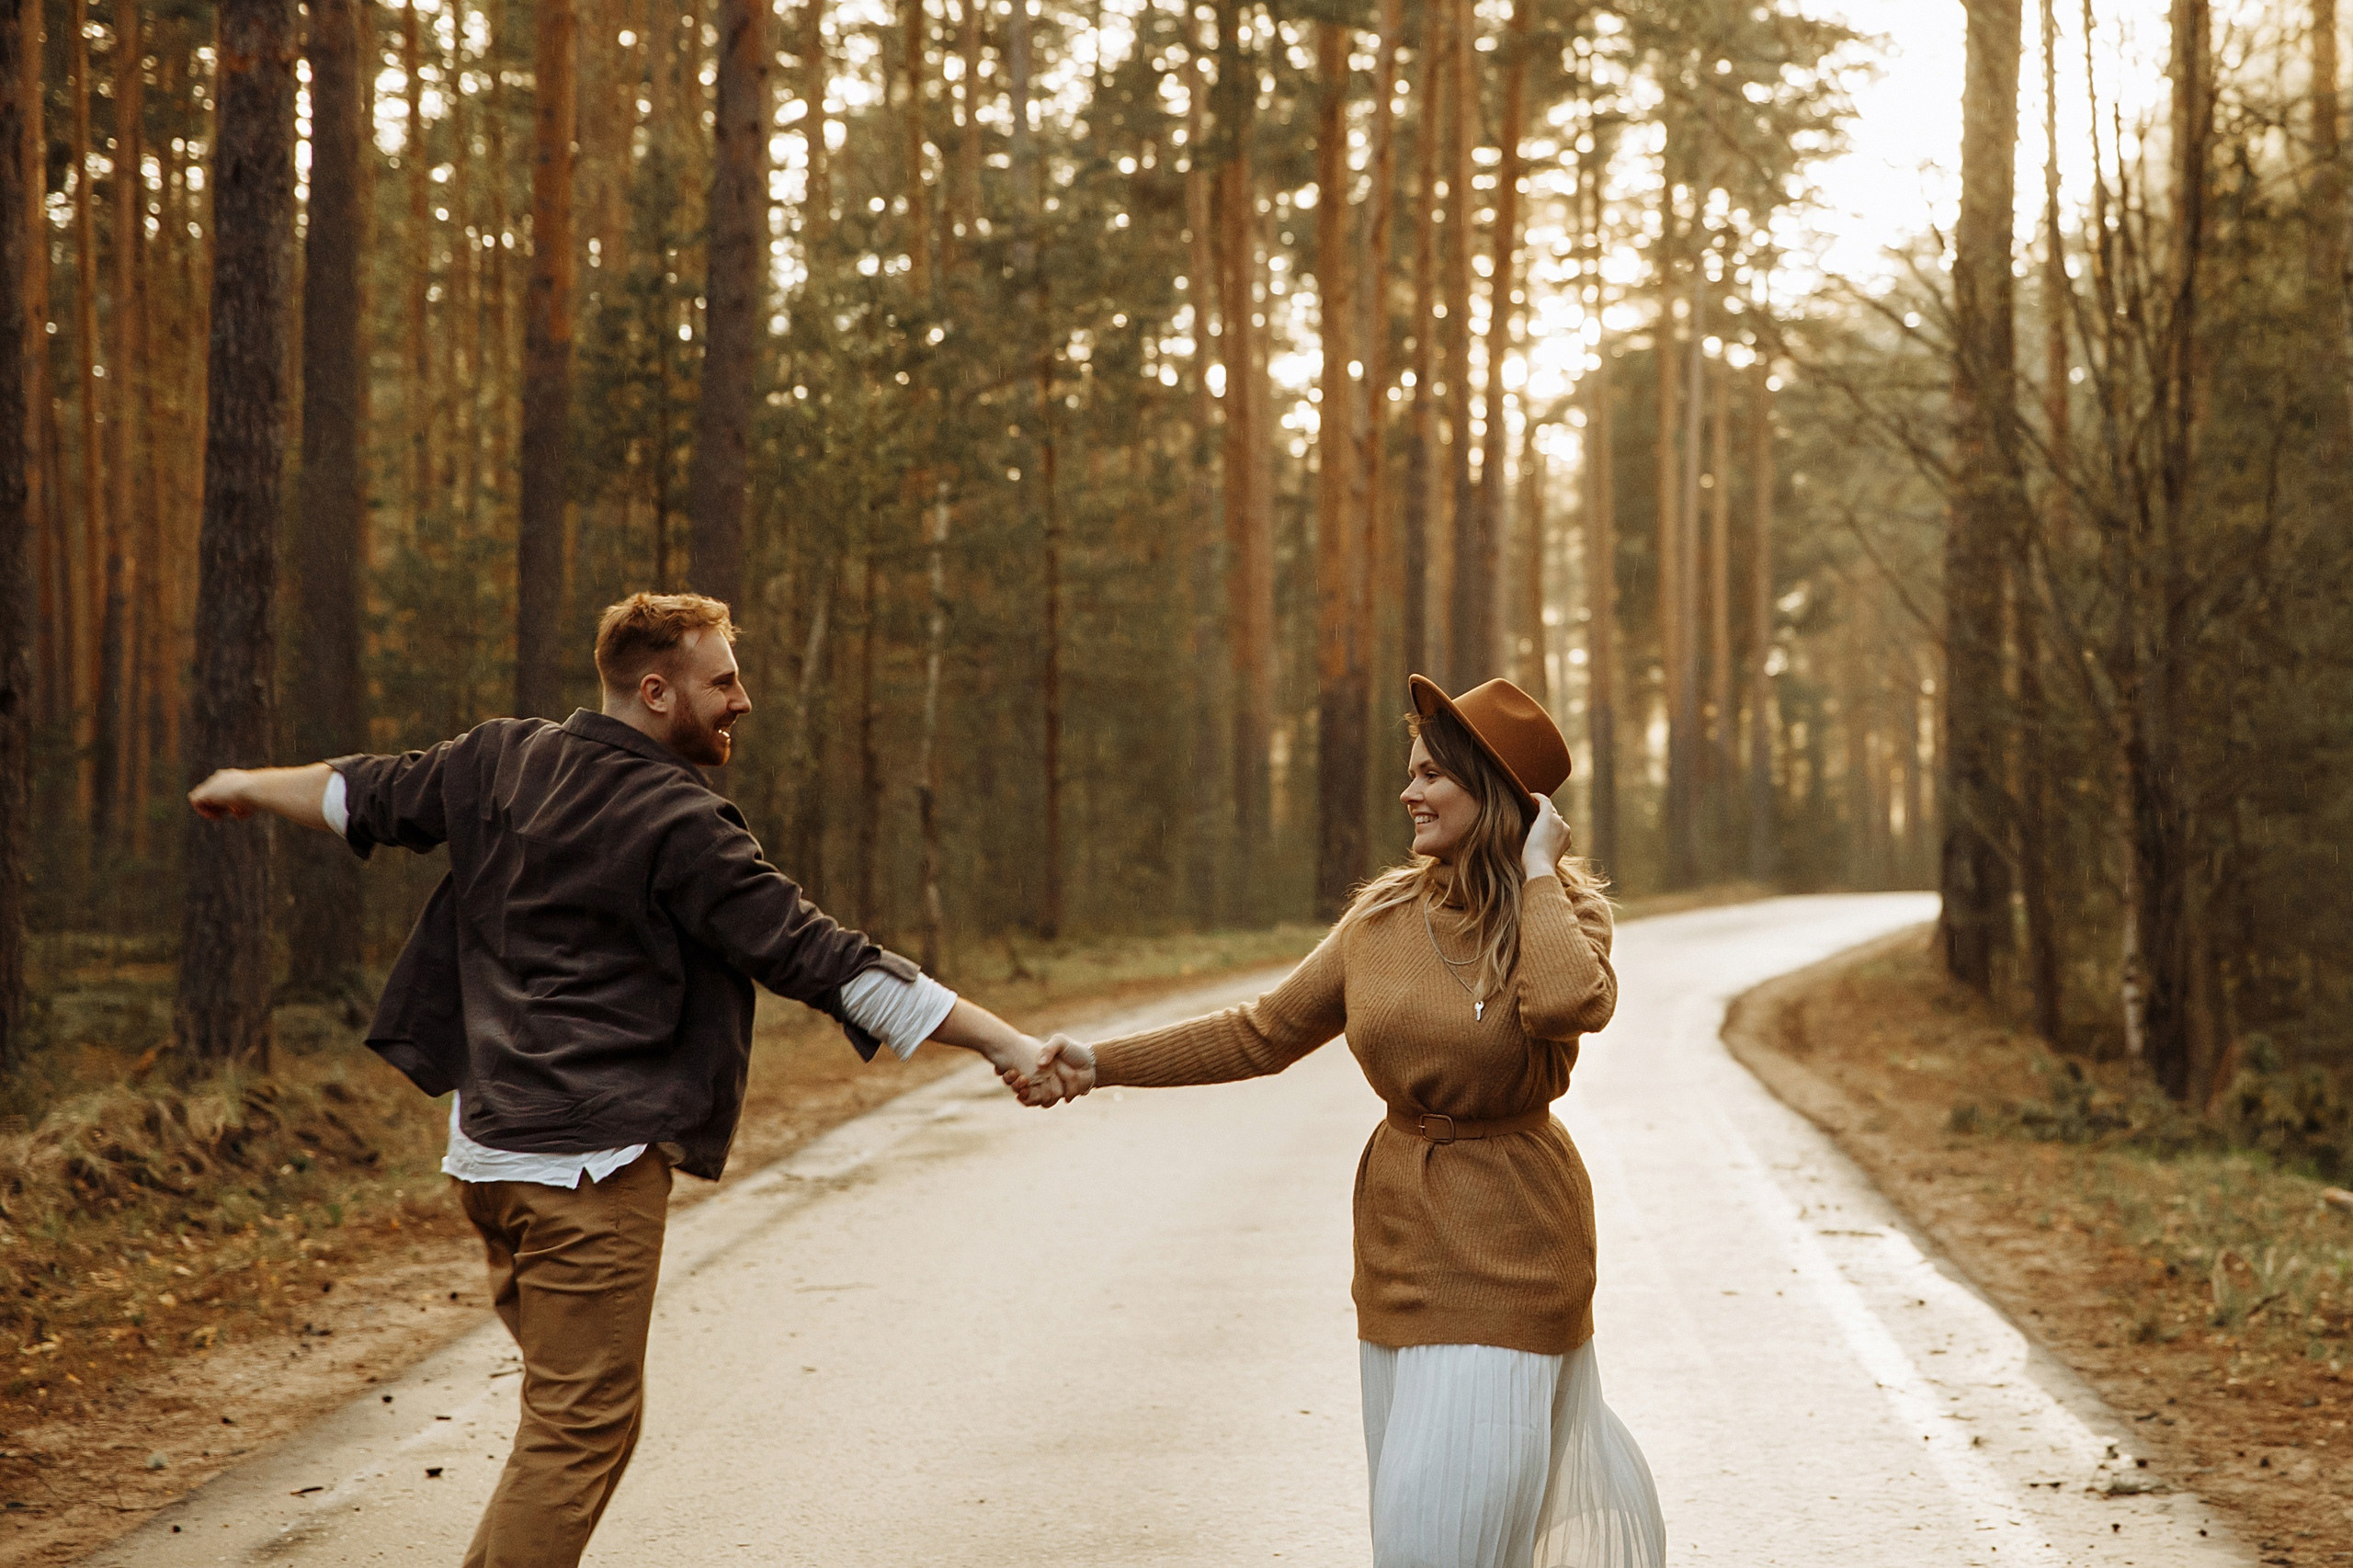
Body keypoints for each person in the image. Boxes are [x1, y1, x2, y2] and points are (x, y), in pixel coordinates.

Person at [187, 592, 1054, 1568]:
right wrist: (1004, 1042)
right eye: (722, 680)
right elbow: (824, 958)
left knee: (566, 1412)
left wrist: (248, 784)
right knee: (579, 1429)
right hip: (587, 1177)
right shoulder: (678, 818)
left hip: (491, 1161)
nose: (743, 699)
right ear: (655, 690)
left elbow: (359, 792)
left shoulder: (499, 758)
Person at [1027, 676, 1665, 1568]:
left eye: (1433, 775)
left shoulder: (1560, 911)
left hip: (1517, 1258)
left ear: (1501, 797)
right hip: (1398, 1257)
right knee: (1424, 1533)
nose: (1409, 792)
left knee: (1435, 1545)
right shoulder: (1383, 916)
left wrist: (1533, 869)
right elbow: (1261, 1032)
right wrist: (1098, 1063)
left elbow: (1569, 1002)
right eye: (1410, 771)